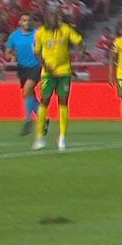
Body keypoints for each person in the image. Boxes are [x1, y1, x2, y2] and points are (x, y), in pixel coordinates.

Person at [32, 10, 83, 151]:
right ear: (46, 20)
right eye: (51, 18)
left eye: (55, 18)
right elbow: (37, 52)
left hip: (64, 71)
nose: (53, 21)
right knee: (45, 101)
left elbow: (78, 41)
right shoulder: (41, 32)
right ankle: (40, 136)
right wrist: (45, 64)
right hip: (48, 73)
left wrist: (80, 49)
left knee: (63, 102)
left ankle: (62, 137)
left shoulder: (65, 29)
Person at [5, 12, 44, 136]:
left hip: (36, 66)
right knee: (29, 94)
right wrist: (11, 56)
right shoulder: (14, 36)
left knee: (27, 89)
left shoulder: (38, 34)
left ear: (32, 22)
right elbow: (8, 52)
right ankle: (43, 117)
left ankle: (28, 120)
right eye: (24, 20)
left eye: (29, 20)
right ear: (20, 22)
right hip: (22, 68)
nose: (27, 22)